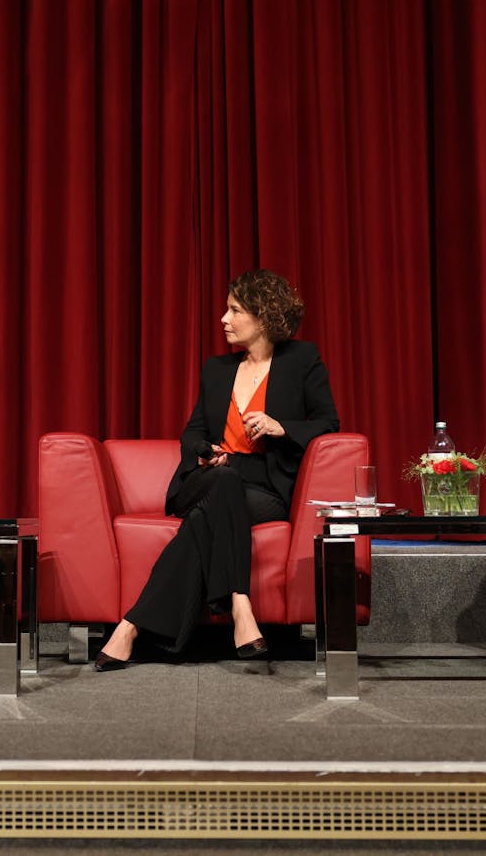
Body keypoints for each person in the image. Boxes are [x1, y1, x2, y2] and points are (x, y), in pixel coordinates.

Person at [95, 269, 340, 670]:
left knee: (201, 522)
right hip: (208, 477)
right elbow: (192, 431)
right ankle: (240, 605)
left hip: (265, 488)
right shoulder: (217, 369)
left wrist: (283, 428)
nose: (224, 319)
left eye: (234, 310)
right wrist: (204, 450)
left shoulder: (302, 360)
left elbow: (329, 423)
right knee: (222, 481)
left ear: (262, 317)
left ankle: (130, 626)